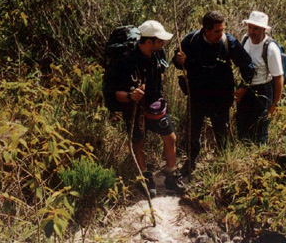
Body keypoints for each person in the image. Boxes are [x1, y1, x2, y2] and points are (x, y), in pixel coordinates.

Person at [106, 20, 183, 196]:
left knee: (170, 137)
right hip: (134, 109)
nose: (163, 44)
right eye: (159, 40)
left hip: (156, 105)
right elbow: (113, 91)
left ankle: (171, 175)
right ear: (149, 42)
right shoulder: (125, 60)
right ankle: (144, 178)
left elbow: (161, 73)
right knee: (138, 142)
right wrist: (130, 96)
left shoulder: (158, 53)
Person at [173, 11, 254, 171]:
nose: (221, 34)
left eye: (222, 30)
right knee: (193, 130)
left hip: (221, 96)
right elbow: (177, 60)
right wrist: (178, 59)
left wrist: (243, 87)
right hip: (196, 95)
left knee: (221, 131)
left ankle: (226, 164)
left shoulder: (227, 41)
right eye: (217, 31)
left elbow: (247, 64)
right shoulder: (192, 40)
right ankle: (191, 163)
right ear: (206, 30)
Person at [237, 11, 284, 144]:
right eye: (250, 27)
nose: (252, 31)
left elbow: (278, 77)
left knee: (260, 129)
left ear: (263, 29)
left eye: (256, 28)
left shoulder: (270, 48)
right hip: (246, 88)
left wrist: (275, 103)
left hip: (263, 91)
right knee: (242, 126)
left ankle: (260, 158)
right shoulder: (245, 40)